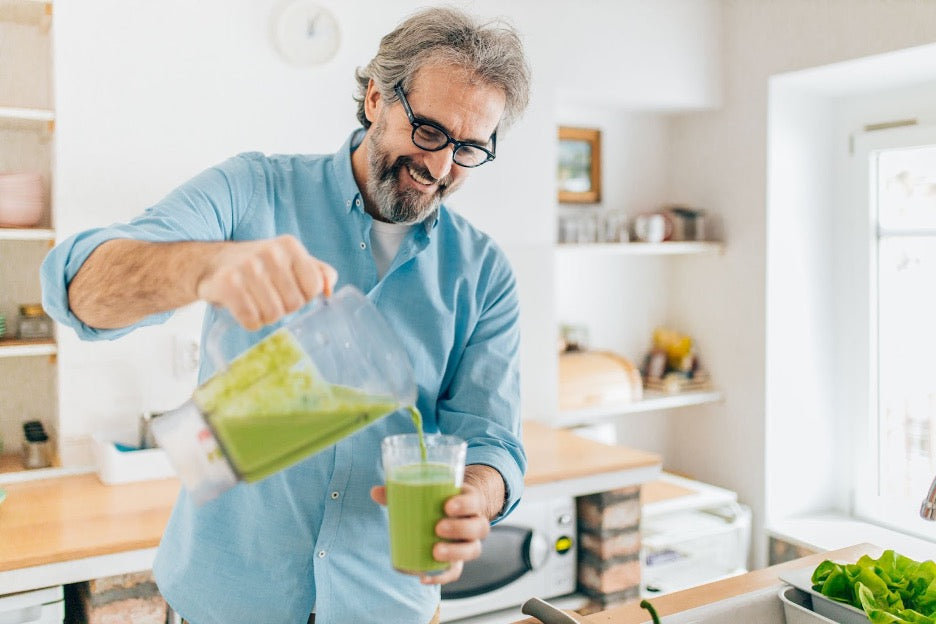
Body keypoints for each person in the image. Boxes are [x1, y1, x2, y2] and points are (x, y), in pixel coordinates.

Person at [40, 6, 530, 624]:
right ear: (377, 96)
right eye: (428, 131)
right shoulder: (253, 191)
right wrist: (202, 268)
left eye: (467, 149)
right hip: (226, 603)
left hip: (385, 607)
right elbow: (78, 287)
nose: (438, 167)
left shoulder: (483, 273)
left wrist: (474, 497)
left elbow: (493, 439)